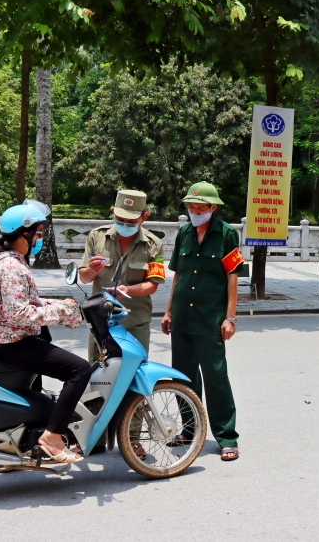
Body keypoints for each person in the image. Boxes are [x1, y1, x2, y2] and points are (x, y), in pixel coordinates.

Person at [0, 201, 90, 464]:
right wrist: (63, 314)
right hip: (15, 342)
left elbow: (24, 301)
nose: (39, 240)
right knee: (79, 370)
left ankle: (20, 448)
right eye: (37, 234)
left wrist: (59, 303)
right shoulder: (12, 267)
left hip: (4, 339)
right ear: (23, 234)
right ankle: (52, 438)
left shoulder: (1, 258)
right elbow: (19, 314)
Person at [160, 181, 242, 461]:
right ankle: (189, 429)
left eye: (200, 207)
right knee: (183, 377)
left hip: (211, 319)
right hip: (183, 317)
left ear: (213, 208)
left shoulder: (227, 234)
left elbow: (233, 278)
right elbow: (178, 275)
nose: (194, 211)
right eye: (191, 207)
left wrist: (230, 317)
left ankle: (227, 436)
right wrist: (169, 311)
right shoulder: (184, 232)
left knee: (216, 377)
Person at [78, 190, 166, 361]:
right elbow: (84, 277)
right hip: (101, 320)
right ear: (113, 213)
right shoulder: (96, 237)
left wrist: (128, 290)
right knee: (98, 375)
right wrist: (92, 270)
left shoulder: (153, 244)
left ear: (144, 217)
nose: (125, 224)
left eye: (131, 221)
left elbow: (152, 285)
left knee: (134, 373)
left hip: (135, 321)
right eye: (120, 219)